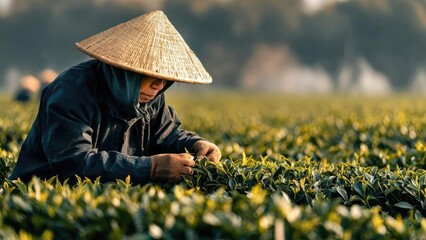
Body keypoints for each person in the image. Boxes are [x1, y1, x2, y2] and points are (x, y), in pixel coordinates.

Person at [9, 10, 221, 184]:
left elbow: (166, 135)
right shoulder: (71, 93)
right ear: (126, 71)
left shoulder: (151, 98)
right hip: (45, 194)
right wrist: (151, 168)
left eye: (165, 79)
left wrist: (196, 144)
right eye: (151, 76)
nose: (159, 86)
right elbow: (73, 162)